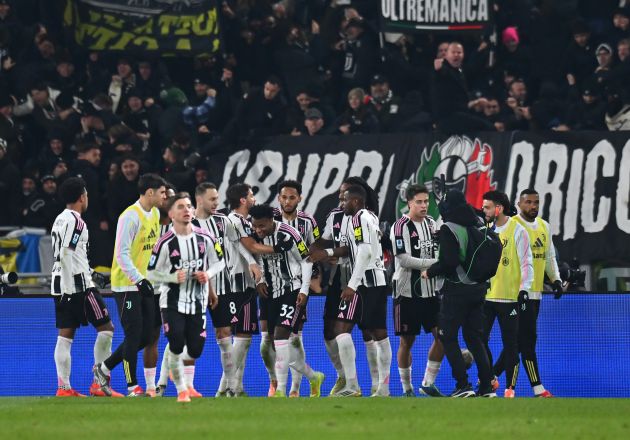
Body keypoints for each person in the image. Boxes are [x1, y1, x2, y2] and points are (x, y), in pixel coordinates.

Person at [312, 185, 390, 397]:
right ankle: (383, 389)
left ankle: (352, 386)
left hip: (364, 283)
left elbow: (364, 252)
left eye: (345, 200)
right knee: (380, 334)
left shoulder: (358, 219)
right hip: (378, 280)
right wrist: (327, 252)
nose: (342, 204)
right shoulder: (371, 217)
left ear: (355, 201)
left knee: (341, 330)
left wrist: (352, 285)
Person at [93, 174, 167, 397]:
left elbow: (151, 251)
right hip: (127, 285)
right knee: (134, 335)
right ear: (150, 192)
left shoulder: (155, 214)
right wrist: (138, 279)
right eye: (162, 192)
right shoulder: (129, 217)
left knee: (146, 337)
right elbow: (121, 254)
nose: (165, 196)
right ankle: (132, 387)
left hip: (146, 284)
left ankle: (103, 368)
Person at [146, 192, 224, 403]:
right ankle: (182, 390)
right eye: (180, 207)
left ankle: (176, 368)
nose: (186, 210)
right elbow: (150, 273)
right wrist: (171, 277)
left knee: (196, 349)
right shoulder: (164, 242)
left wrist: (207, 274)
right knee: (176, 343)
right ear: (171, 214)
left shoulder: (205, 237)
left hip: (197, 302)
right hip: (171, 301)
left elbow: (220, 262)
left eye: (189, 206)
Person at [50, 177, 122, 397]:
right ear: (82, 197)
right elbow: (66, 252)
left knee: (65, 335)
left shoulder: (59, 219)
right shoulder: (77, 222)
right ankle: (98, 384)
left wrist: (91, 273)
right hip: (77, 285)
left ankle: (64, 388)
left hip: (59, 283)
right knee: (106, 328)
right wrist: (71, 288)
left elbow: (67, 254)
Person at [422, 189, 495, 398]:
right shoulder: (478, 222)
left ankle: (463, 385)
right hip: (479, 288)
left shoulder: (449, 227)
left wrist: (430, 271)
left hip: (457, 289)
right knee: (475, 339)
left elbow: (450, 262)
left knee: (447, 337)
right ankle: (487, 387)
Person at [493, 188, 563, 398]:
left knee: (518, 342)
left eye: (536, 202)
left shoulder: (544, 226)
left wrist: (556, 279)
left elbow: (549, 257)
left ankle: (490, 377)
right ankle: (535, 387)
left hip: (535, 295)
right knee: (525, 341)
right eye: (528, 202)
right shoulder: (512, 225)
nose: (533, 206)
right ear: (519, 204)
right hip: (515, 293)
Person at [250, 204, 324, 398]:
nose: (258, 230)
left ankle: (282, 390)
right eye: (255, 226)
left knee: (282, 337)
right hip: (268, 292)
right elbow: (256, 259)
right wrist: (260, 281)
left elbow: (307, 260)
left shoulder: (290, 233)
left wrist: (305, 290)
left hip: (292, 290)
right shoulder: (254, 235)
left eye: (262, 226)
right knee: (270, 343)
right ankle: (313, 376)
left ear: (271, 220)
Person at [390, 184, 443, 397]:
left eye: (426, 201)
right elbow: (403, 259)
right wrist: (433, 264)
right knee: (407, 341)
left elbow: (438, 251)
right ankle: (407, 388)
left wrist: (436, 264)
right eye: (419, 202)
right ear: (409, 203)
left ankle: (428, 383)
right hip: (406, 293)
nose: (423, 205)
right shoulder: (400, 226)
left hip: (431, 292)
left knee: (442, 336)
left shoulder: (431, 223)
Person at [481, 191, 533, 399]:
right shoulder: (485, 230)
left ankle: (510, 389)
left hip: (510, 298)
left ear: (499, 209)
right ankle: (489, 379)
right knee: (479, 340)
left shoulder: (518, 230)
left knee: (511, 345)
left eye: (487, 207)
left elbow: (527, 262)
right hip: (486, 297)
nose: (484, 211)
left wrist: (524, 289)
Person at [273, 180, 320, 397]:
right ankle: (279, 382)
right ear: (278, 198)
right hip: (273, 286)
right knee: (270, 340)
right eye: (284, 197)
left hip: (296, 285)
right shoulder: (271, 219)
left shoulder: (308, 221)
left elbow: (315, 251)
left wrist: (310, 283)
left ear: (299, 198)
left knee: (293, 335)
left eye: (292, 197)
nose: (287, 201)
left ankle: (294, 387)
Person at [224, 182, 272, 396]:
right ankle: (226, 387)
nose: (254, 199)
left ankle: (237, 387)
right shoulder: (234, 220)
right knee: (243, 338)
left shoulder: (243, 221)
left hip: (245, 283)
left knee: (241, 339)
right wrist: (278, 249)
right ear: (243, 200)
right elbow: (249, 247)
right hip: (238, 282)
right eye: (251, 195)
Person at [144, 184, 176, 397]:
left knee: (176, 334)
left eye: (171, 197)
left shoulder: (180, 227)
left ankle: (162, 383)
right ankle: (149, 386)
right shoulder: (148, 223)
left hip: (172, 289)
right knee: (151, 338)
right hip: (149, 289)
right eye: (165, 196)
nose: (167, 200)